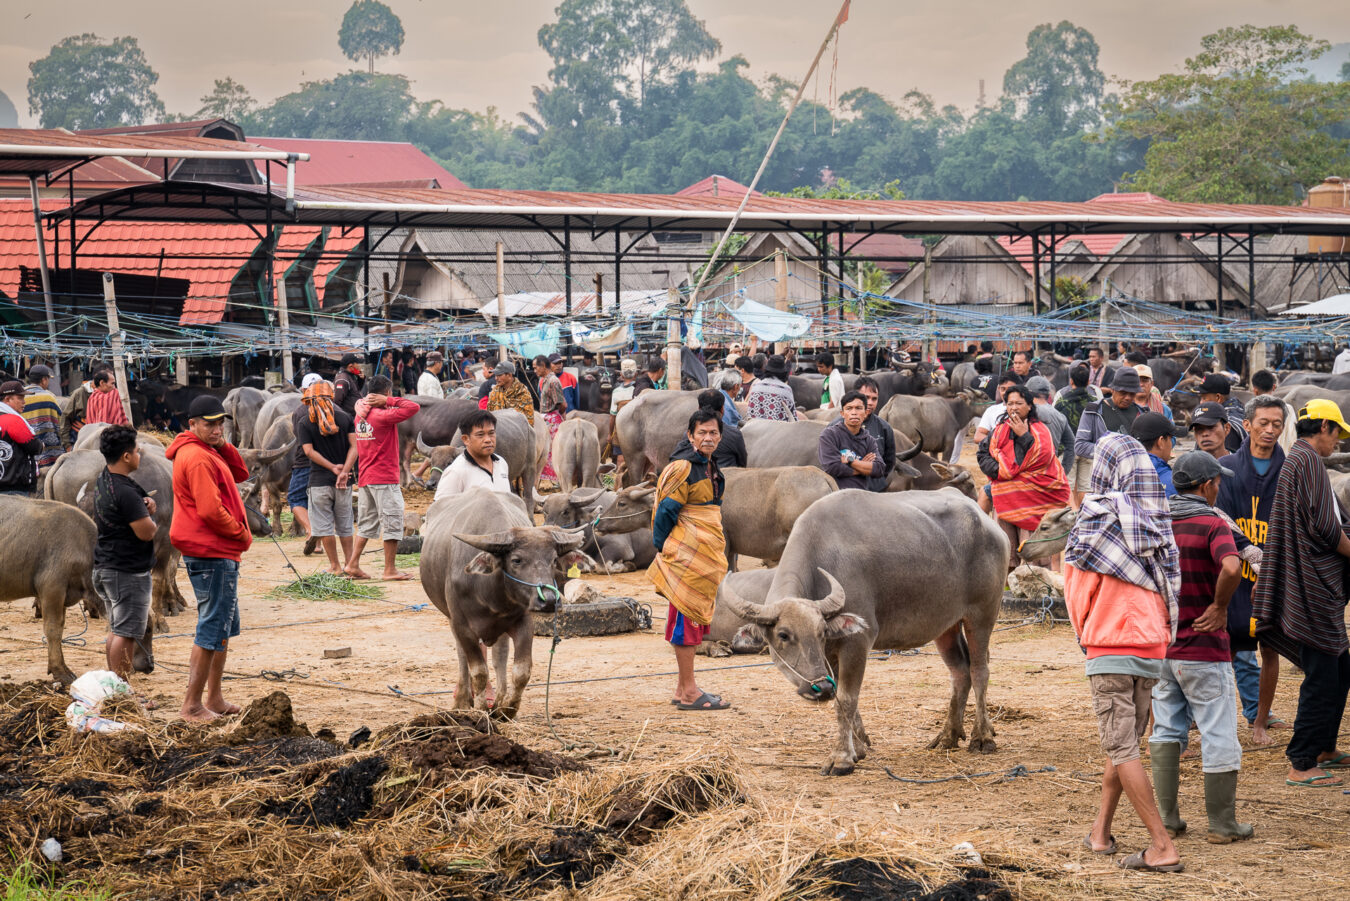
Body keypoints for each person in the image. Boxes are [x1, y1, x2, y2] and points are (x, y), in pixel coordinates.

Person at [1064, 433, 1183, 872]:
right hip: (1151, 647)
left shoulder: (1093, 522)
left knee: (1122, 747)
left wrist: (1087, 636)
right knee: (1124, 743)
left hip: (1109, 645)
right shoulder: (1156, 519)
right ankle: (1100, 832)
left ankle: (1162, 846)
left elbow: (1077, 595)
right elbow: (1172, 585)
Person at [1151, 451, 1252, 843]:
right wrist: (1220, 606)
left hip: (1164, 649)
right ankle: (1223, 825)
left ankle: (1167, 820)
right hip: (1205, 649)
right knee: (1218, 732)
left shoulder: (1158, 521)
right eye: (1218, 482)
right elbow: (1232, 566)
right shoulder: (1212, 523)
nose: (1219, 488)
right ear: (1207, 485)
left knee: (1165, 730)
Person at [1251, 399, 1350, 789]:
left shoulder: (1298, 459)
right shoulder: (1308, 461)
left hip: (1308, 584)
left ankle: (1325, 747)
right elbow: (1325, 526)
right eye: (1337, 433)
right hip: (1312, 588)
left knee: (1340, 668)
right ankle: (1302, 761)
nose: (1337, 442)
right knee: (1323, 673)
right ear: (1324, 427)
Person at [166, 396, 252, 722]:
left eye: (220, 423)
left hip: (215, 549)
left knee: (222, 626)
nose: (217, 429)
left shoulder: (206, 450)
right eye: (209, 424)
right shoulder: (198, 457)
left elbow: (240, 472)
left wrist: (221, 442)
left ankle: (214, 698)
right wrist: (241, 533)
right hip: (212, 550)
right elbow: (210, 510)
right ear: (192, 424)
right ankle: (191, 705)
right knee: (212, 626)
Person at [1216, 395, 1290, 746]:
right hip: (1234, 570)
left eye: (1277, 424)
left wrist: (1270, 564)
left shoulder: (1289, 470)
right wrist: (1250, 553)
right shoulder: (1227, 467)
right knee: (1225, 646)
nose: (1270, 430)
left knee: (1269, 647)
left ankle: (1260, 720)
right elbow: (1221, 517)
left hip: (1274, 574)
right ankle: (1220, 722)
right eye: (1263, 423)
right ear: (1247, 425)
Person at [649, 409, 731, 711]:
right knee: (688, 619)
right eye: (702, 433)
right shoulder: (683, 468)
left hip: (702, 553)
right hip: (687, 555)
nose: (708, 438)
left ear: (720, 436)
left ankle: (683, 687)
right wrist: (667, 549)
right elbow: (666, 512)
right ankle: (690, 693)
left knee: (686, 618)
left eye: (713, 433)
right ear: (690, 435)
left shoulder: (709, 465)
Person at [92, 425, 157, 684]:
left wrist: (146, 505)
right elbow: (146, 532)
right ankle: (122, 689)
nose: (139, 455)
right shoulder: (126, 492)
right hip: (126, 571)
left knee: (117, 629)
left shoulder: (104, 479)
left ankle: (115, 686)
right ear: (127, 456)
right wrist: (150, 518)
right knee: (127, 633)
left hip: (106, 565)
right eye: (137, 451)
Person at [977, 385, 1069, 568]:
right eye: (1010, 403)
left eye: (1019, 403)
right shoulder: (999, 430)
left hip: (1033, 502)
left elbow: (1042, 457)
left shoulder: (1040, 431)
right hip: (1005, 501)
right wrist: (1000, 472)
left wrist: (1024, 436)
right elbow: (983, 454)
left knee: (1034, 561)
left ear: (1029, 405)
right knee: (1006, 556)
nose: (1014, 408)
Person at [347, 376, 419, 582]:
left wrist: (380, 401)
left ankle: (352, 564)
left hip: (366, 477)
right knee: (392, 521)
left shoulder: (360, 415)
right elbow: (413, 407)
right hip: (384, 477)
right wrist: (389, 401)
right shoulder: (382, 416)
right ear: (386, 392)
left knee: (366, 523)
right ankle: (389, 570)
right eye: (390, 393)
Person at [298, 379, 358, 576]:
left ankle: (335, 566)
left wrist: (332, 468)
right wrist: (344, 471)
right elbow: (355, 447)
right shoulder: (345, 417)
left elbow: (308, 452)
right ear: (331, 396)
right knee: (345, 525)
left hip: (319, 482)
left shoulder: (305, 422)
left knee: (324, 527)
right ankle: (350, 565)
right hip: (344, 483)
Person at [1072, 366, 1144, 508]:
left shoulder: (1141, 413)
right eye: (1123, 393)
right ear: (1113, 389)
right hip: (1103, 482)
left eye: (1132, 394)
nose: (1128, 397)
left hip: (1133, 481)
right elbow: (1080, 446)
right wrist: (1112, 453)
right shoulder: (1094, 411)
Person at [434, 410, 511, 500]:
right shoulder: (456, 472)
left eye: (491, 433)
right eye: (480, 435)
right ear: (466, 439)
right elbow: (440, 507)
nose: (488, 440)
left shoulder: (501, 463)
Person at [817, 391, 885, 491]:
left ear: (866, 413)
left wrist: (850, 461)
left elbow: (879, 469)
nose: (854, 412)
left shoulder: (869, 440)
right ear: (842, 414)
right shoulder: (829, 435)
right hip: (834, 494)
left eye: (858, 408)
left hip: (861, 494)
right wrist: (863, 467)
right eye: (849, 408)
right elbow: (832, 467)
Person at [671, 390, 747, 470]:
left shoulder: (689, 435)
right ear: (722, 409)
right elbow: (742, 464)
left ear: (699, 409)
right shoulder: (734, 434)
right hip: (728, 476)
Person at [855, 376, 897, 493]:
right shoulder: (836, 426)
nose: (870, 403)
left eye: (874, 399)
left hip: (875, 491)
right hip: (845, 490)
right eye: (866, 397)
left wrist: (878, 480)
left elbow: (889, 461)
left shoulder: (884, 428)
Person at [1026, 375, 1073, 477]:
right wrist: (1063, 471)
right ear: (1048, 395)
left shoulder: (1027, 412)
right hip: (1051, 473)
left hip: (1028, 472)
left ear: (1028, 394)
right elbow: (1071, 445)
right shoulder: (1060, 416)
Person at [0, 380, 41, 496]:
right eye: (20, 398)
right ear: (7, 399)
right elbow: (34, 447)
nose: (24, 402)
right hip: (14, 486)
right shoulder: (13, 421)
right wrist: (41, 445)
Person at [22, 365, 62, 473]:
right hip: (48, 454)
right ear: (44, 380)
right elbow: (59, 423)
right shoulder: (49, 397)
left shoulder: (21, 395)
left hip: (27, 451)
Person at [533, 355, 566, 484]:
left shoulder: (553, 381)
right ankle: (548, 481)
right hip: (546, 418)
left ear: (543, 366)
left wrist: (555, 418)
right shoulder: (545, 380)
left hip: (552, 419)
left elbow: (562, 404)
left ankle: (555, 481)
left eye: (536, 368)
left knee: (552, 451)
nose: (534, 371)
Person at [1130, 412, 1177, 497]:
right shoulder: (1175, 483)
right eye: (1170, 439)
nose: (1171, 445)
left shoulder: (1119, 476)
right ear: (1161, 442)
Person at [1249, 369, 1297, 452]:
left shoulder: (1252, 411)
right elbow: (1293, 439)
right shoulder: (1288, 408)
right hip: (1286, 458)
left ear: (1255, 391)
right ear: (1274, 387)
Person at [1197, 374, 1247, 453]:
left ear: (1218, 398)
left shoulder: (1227, 427)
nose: (1201, 403)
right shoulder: (1237, 408)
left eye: (1204, 398)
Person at [746, 354, 800, 422]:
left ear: (766, 369)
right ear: (783, 372)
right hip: (778, 428)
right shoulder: (786, 390)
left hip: (757, 427)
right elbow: (793, 417)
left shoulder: (756, 387)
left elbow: (750, 413)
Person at [973, 373, 1023, 445]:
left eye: (1010, 389)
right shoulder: (991, 410)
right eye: (1003, 389)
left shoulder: (1025, 409)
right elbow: (978, 436)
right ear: (998, 389)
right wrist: (999, 443)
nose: (1006, 392)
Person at [61, 370, 94, 446]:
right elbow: (66, 417)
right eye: (111, 383)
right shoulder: (79, 394)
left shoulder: (111, 395)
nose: (113, 386)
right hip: (79, 439)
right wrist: (67, 445)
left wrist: (86, 428)